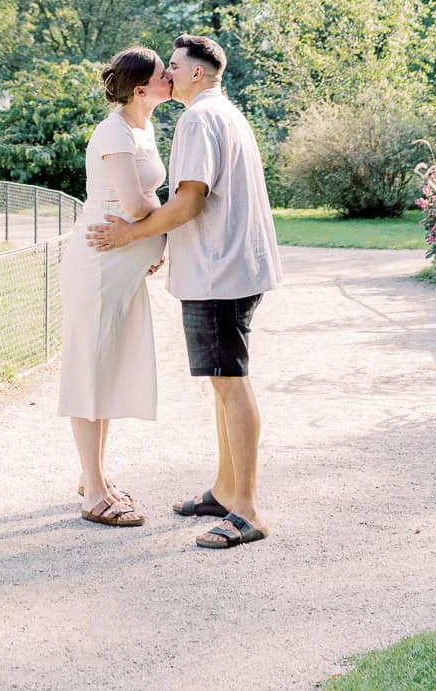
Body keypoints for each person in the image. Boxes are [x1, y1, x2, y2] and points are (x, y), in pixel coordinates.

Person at [87, 33, 281, 550]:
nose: (167, 75)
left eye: (173, 66)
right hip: (234, 266)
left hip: (219, 272)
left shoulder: (198, 119)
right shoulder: (225, 113)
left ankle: (247, 510)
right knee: (223, 382)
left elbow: (190, 201)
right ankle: (224, 489)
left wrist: (131, 235)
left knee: (230, 383)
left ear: (197, 73)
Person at [57, 45, 170, 527]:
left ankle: (94, 475)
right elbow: (135, 203)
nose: (173, 77)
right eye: (165, 73)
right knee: (89, 371)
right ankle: (93, 493)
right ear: (142, 88)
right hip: (100, 265)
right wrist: (157, 221)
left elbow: (145, 202)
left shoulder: (144, 127)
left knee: (106, 370)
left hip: (122, 266)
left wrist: (152, 243)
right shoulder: (113, 130)